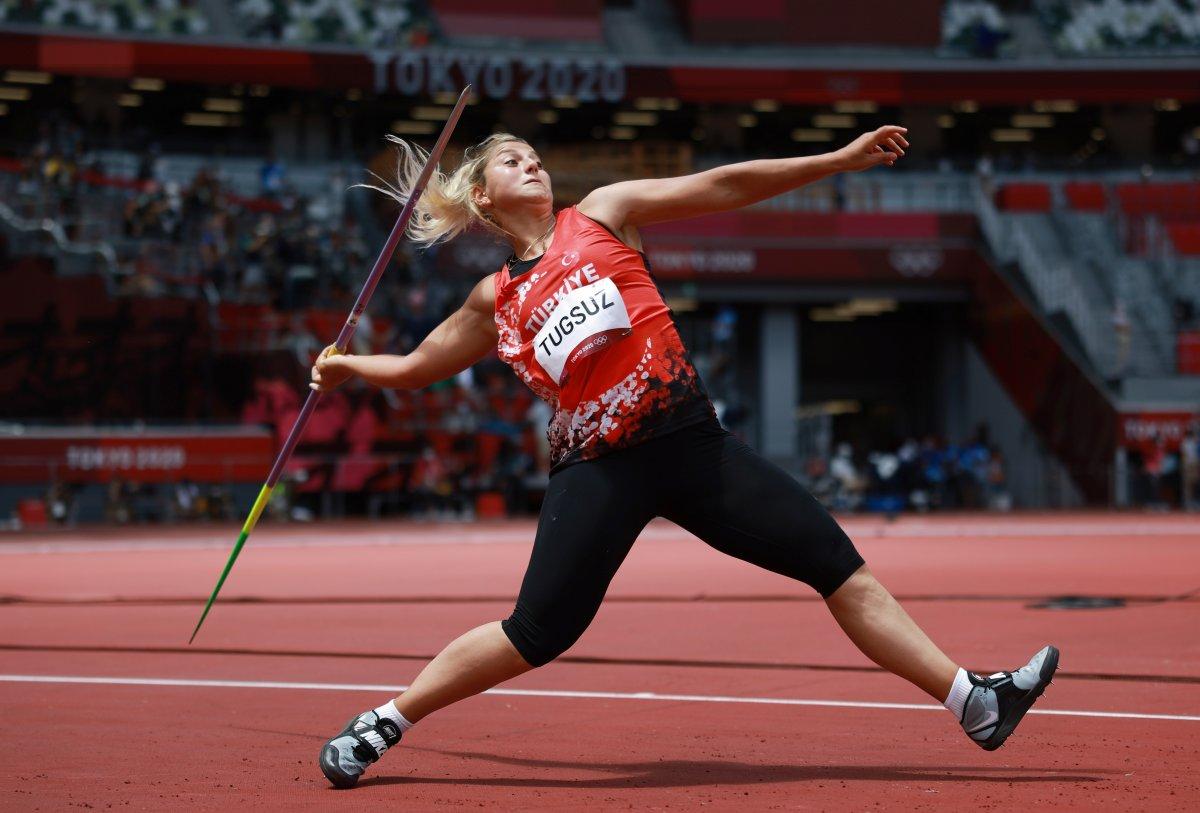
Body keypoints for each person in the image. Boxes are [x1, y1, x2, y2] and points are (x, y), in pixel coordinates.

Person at [309, 128, 1059, 788]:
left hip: (693, 445)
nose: (533, 163)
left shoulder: (603, 213)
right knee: (537, 633)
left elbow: (724, 185)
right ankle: (386, 719)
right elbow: (414, 366)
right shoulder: (493, 299)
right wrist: (349, 368)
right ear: (482, 193)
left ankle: (975, 701)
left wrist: (836, 160)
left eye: (535, 156)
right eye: (514, 160)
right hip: (598, 469)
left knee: (837, 565)